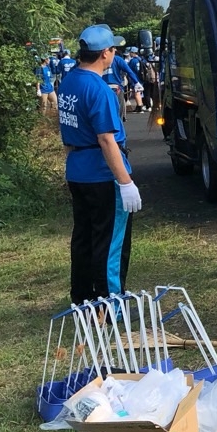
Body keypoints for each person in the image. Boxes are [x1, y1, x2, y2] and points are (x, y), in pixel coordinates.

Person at [58, 24, 142, 305]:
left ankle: (82, 298)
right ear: (106, 53)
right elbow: (107, 139)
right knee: (111, 242)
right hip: (102, 173)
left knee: (84, 236)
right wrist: (126, 182)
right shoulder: (99, 89)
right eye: (113, 49)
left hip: (77, 169)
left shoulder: (69, 81)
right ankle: (109, 302)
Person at [103, 47, 143, 115]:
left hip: (103, 87)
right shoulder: (117, 59)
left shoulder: (99, 60)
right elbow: (129, 71)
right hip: (116, 87)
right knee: (119, 111)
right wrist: (136, 82)